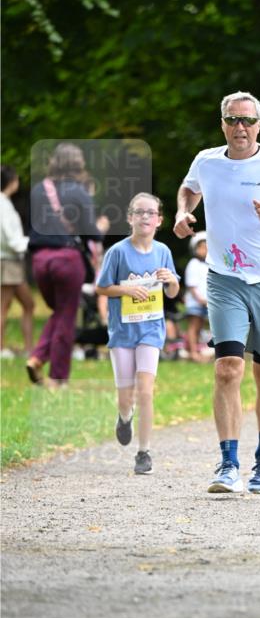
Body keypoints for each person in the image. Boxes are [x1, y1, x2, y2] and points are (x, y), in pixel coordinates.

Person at [174, 90, 260, 495]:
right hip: (224, 279)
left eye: (248, 121)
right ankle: (228, 463)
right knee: (227, 368)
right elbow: (189, 188)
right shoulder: (207, 161)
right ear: (222, 124)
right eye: (233, 120)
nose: (241, 127)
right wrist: (184, 211)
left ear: (259, 125)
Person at [96, 192, 180, 475]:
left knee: (145, 391)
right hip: (122, 332)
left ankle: (144, 452)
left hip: (151, 331)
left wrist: (171, 281)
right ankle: (124, 416)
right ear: (130, 218)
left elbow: (173, 292)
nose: (145, 217)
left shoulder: (163, 252)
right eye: (139, 212)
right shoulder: (118, 252)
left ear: (159, 220)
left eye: (150, 213)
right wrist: (126, 290)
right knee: (126, 396)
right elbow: (102, 287)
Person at [26, 143, 100, 386]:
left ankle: (37, 358)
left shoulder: (38, 189)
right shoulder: (78, 191)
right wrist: (101, 228)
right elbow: (91, 232)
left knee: (60, 311)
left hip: (39, 259)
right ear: (77, 164)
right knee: (67, 315)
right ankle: (58, 377)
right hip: (67, 259)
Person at [0, 165, 34, 358]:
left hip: (12, 261)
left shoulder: (6, 203)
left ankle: (29, 349)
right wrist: (32, 243)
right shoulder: (3, 205)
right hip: (8, 261)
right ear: (11, 182)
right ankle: (1, 349)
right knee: (3, 306)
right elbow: (11, 238)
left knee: (29, 304)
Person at [183, 231, 210, 361]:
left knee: (200, 327)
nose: (205, 250)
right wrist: (200, 299)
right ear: (196, 249)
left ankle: (196, 350)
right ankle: (193, 352)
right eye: (202, 248)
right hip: (195, 301)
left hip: (205, 301)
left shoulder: (208, 265)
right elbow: (191, 285)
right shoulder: (193, 263)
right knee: (194, 326)